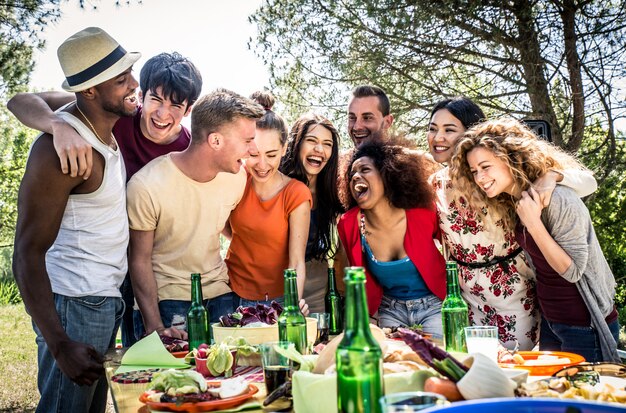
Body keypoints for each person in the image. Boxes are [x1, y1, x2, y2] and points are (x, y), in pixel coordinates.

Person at [7, 52, 203, 346]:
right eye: (156, 99)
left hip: (153, 268)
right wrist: (57, 126)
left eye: (175, 105)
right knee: (107, 357)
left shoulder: (188, 150)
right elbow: (20, 100)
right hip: (100, 268)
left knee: (149, 352)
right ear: (142, 94)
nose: (163, 114)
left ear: (188, 109)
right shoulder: (117, 117)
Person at [11, 27, 140, 413]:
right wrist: (59, 343)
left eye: (130, 73)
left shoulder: (82, 116)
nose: (134, 84)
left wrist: (56, 121)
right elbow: (26, 253)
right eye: (121, 80)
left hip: (103, 301)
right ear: (90, 91)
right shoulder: (58, 154)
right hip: (74, 307)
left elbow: (24, 100)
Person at [428, 97, 598, 350]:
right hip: (467, 295)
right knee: (476, 368)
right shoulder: (433, 182)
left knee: (517, 365)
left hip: (513, 289)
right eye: (432, 129)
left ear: (471, 134)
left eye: (449, 130)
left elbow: (589, 183)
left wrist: (552, 175)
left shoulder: (497, 172)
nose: (438, 137)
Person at [450, 117, 620, 362]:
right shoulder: (515, 201)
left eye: (486, 167)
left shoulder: (558, 200)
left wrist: (533, 223)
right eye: (475, 171)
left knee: (581, 398)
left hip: (585, 326)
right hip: (552, 322)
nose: (480, 178)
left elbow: (571, 271)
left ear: (511, 157)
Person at [127, 89, 264, 340]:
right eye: (247, 140)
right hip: (168, 303)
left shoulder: (237, 177)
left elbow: (219, 222)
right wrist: (155, 327)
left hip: (222, 297)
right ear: (215, 141)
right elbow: (138, 260)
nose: (252, 149)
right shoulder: (146, 185)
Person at [337, 142, 446, 337]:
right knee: (395, 364)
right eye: (352, 174)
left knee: (439, 362)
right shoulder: (349, 223)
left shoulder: (422, 211)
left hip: (434, 305)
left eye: (365, 169)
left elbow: (453, 247)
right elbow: (356, 279)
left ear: (387, 174)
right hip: (390, 310)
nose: (355, 177)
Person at [225, 91, 312, 306]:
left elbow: (296, 262)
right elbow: (221, 226)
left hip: (278, 299)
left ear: (284, 150)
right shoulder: (235, 181)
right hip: (230, 292)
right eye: (253, 155)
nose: (262, 165)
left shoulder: (296, 193)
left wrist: (293, 304)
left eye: (271, 155)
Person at [279, 113, 344, 312]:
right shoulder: (277, 184)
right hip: (277, 286)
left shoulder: (334, 192)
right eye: (311, 140)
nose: (319, 149)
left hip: (318, 289)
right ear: (296, 144)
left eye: (327, 144)